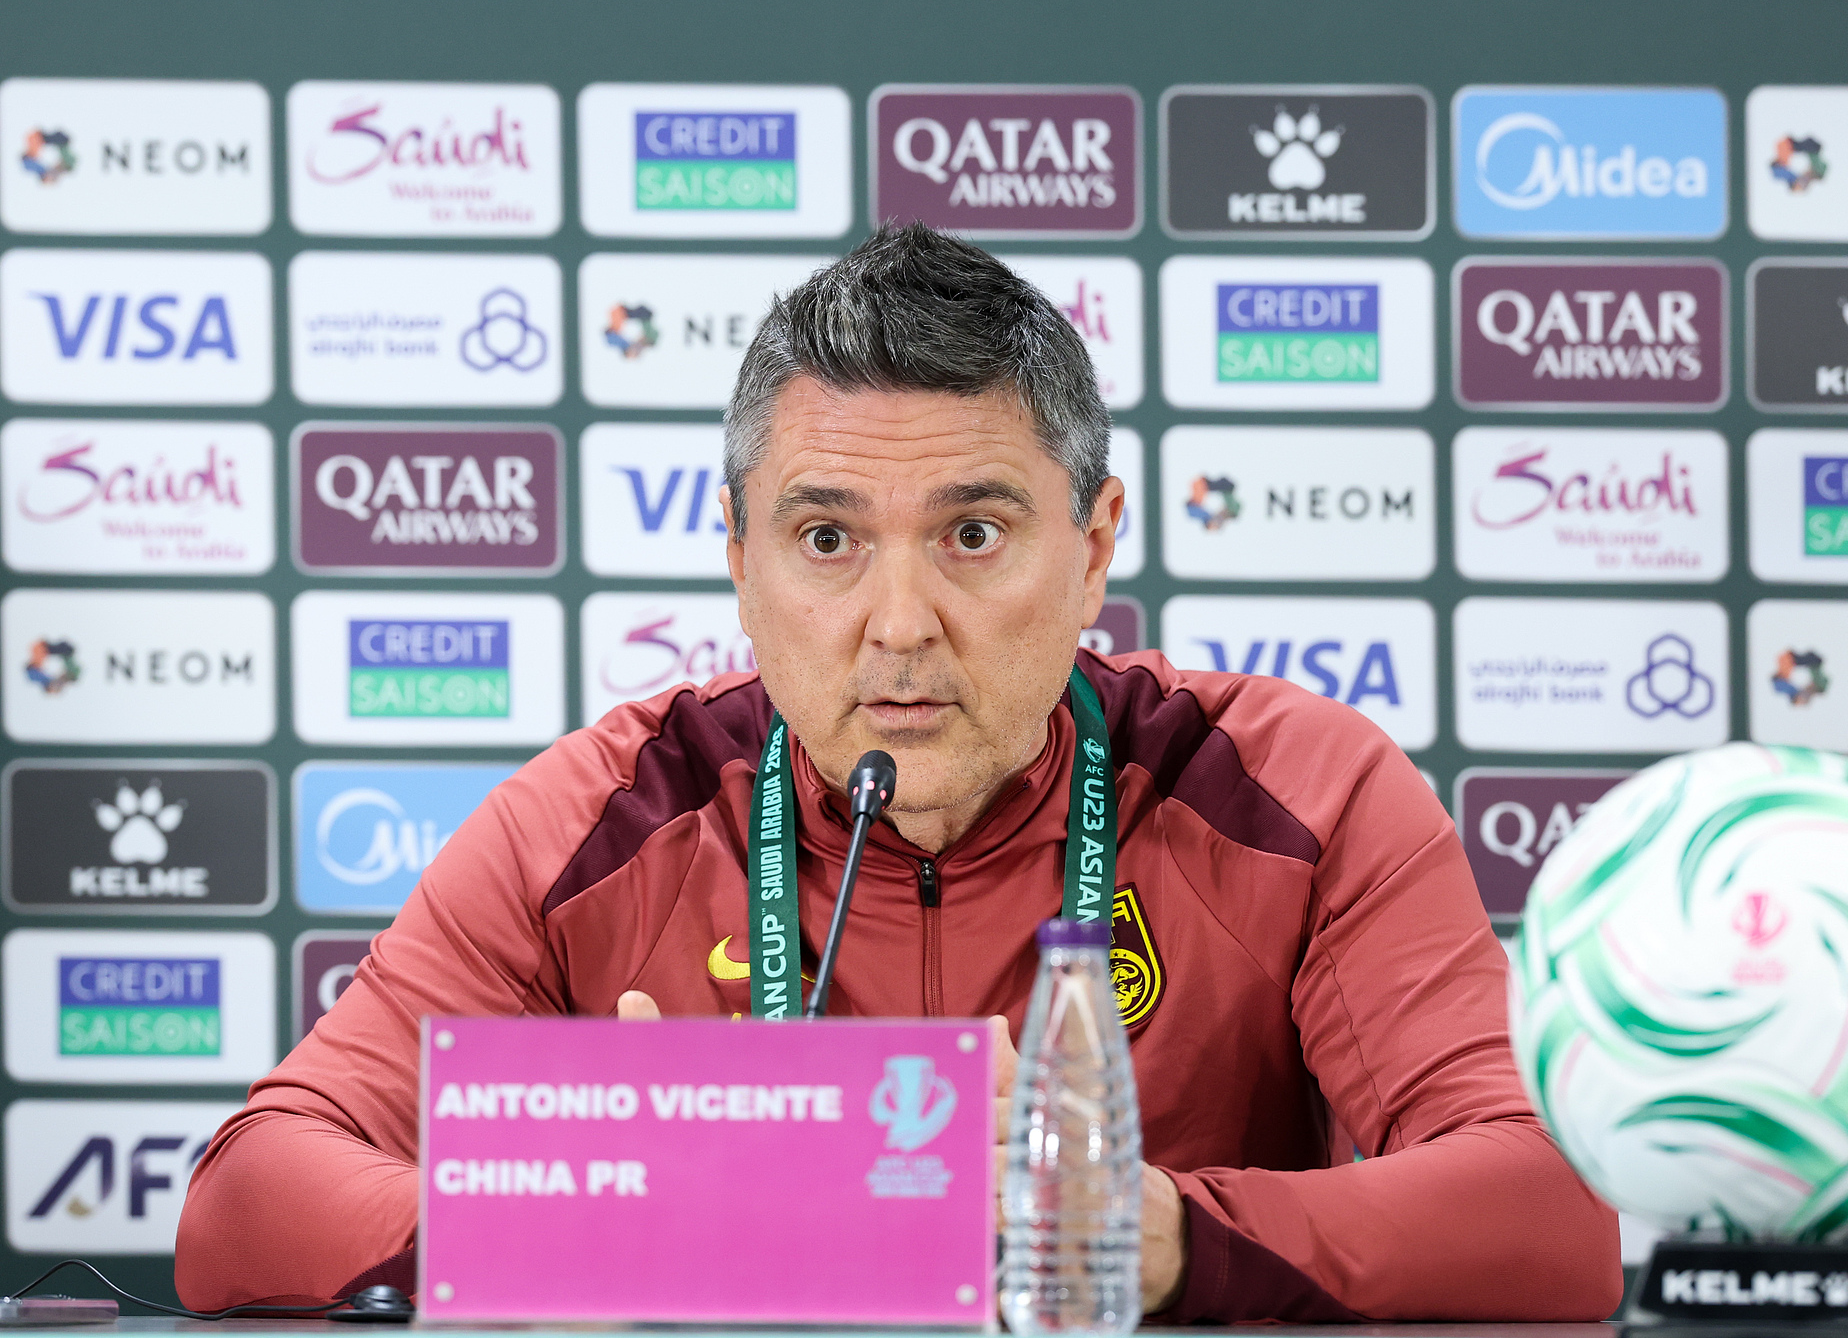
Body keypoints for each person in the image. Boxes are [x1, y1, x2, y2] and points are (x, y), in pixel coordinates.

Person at [176, 225, 1620, 1321]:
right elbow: (249, 1198)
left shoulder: (1293, 788)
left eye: (974, 532)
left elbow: (1554, 1210)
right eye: (826, 538)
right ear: (739, 558)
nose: (900, 622)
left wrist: (1149, 1226)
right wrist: (605, 1209)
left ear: (1095, 543)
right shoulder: (604, 816)